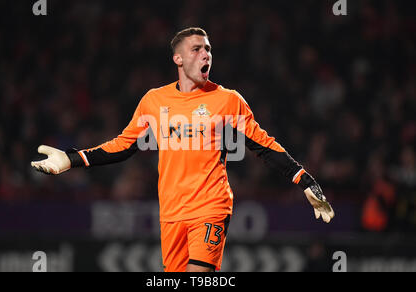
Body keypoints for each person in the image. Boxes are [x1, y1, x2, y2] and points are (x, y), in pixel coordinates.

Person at [31, 27, 334, 272]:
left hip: (210, 206)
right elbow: (123, 146)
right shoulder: (154, 100)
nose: (206, 54)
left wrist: (303, 179)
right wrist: (72, 159)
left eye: (209, 49)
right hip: (172, 212)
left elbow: (265, 146)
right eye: (197, 49)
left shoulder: (227, 100)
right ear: (178, 59)